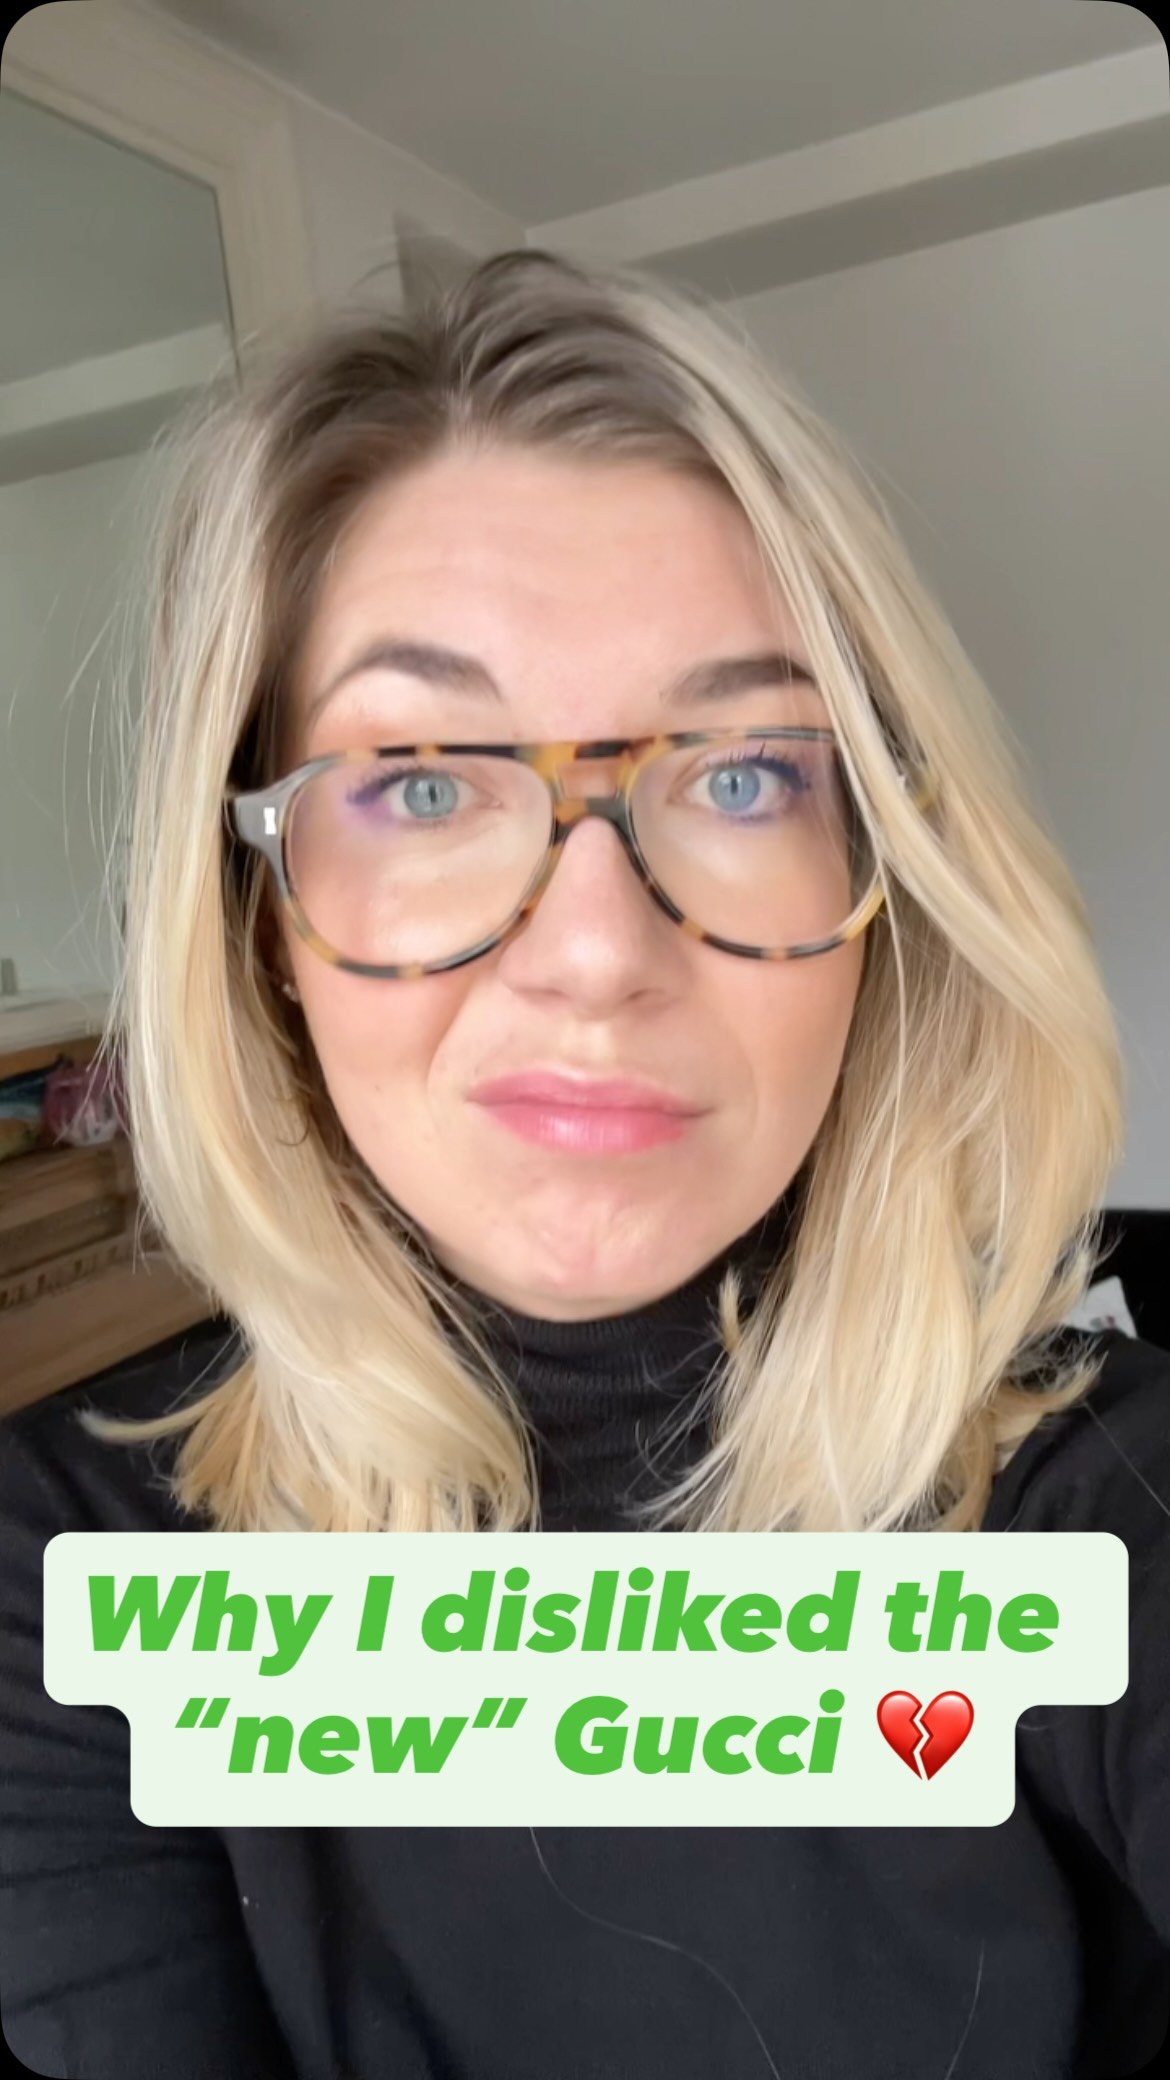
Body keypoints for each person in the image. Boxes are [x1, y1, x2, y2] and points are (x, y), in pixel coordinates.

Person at [1, 248, 1168, 2080]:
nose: (599, 951)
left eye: (743, 773)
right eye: (421, 783)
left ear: (887, 886)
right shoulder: (58, 1583)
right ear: (259, 917)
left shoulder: (1105, 1507)